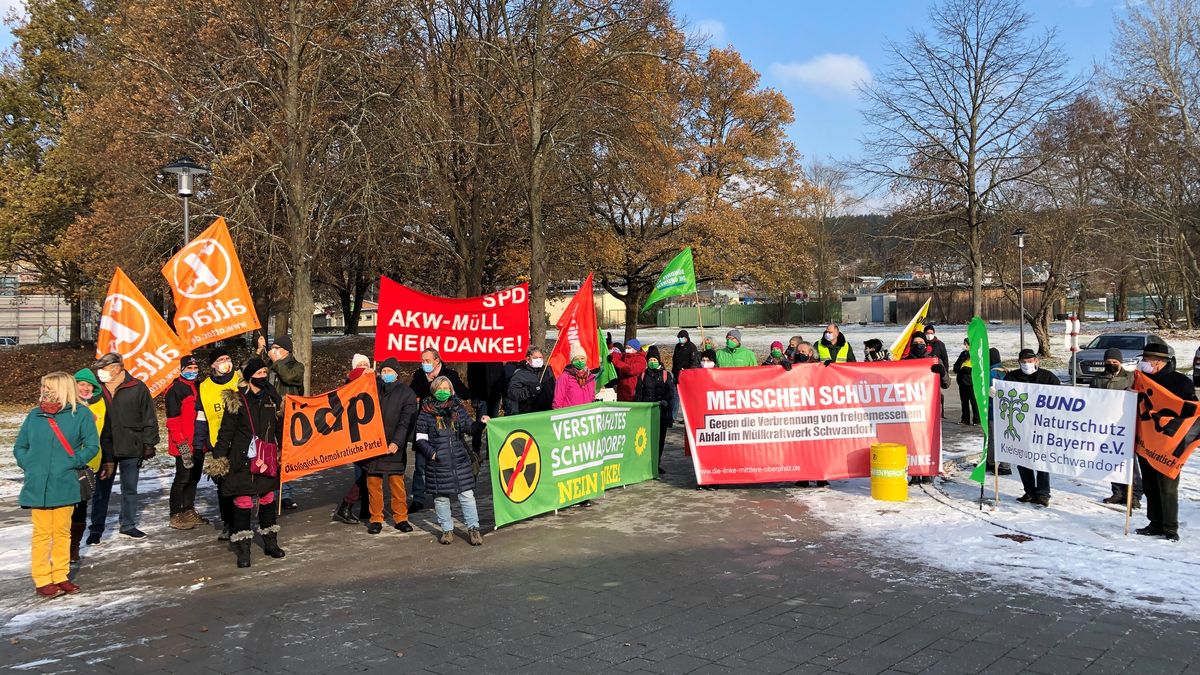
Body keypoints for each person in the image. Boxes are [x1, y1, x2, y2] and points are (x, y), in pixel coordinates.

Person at [15, 372, 100, 597]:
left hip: (64, 481)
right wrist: (29, 464)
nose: (44, 391)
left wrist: (72, 463)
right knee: (42, 533)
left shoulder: (80, 414)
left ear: (63, 389)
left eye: (49, 387)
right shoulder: (35, 415)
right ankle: (42, 578)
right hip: (38, 483)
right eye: (44, 387)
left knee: (62, 532)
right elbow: (20, 446)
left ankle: (61, 575)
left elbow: (92, 445)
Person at [207, 357, 286, 568]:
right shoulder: (237, 400)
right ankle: (244, 550)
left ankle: (271, 543)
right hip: (241, 459)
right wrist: (219, 461)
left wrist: (283, 449)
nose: (263, 377)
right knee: (243, 502)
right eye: (259, 374)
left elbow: (281, 428)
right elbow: (225, 433)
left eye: (265, 373)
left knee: (267, 498)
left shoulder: (273, 399)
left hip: (266, 458)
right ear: (250, 376)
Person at [88, 352, 157, 543]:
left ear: (116, 368)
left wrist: (149, 443)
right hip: (104, 448)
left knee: (130, 488)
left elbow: (149, 416)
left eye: (103, 369)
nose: (99, 372)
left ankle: (128, 525)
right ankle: (96, 528)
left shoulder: (137, 387)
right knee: (101, 490)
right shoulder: (96, 390)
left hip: (131, 445)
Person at [414, 376, 486, 546]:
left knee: (467, 496)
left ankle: (474, 529)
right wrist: (432, 454)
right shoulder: (425, 411)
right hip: (438, 464)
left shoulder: (457, 408)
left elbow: (469, 428)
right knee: (441, 499)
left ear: (451, 390)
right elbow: (420, 439)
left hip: (460, 461)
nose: (443, 391)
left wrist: (481, 423)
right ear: (434, 390)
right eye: (440, 388)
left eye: (446, 388)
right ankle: (447, 530)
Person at [1135, 342, 1193, 541]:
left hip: (1168, 445)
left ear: (1159, 362)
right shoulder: (1141, 380)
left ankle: (1170, 528)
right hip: (1146, 442)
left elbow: (1189, 411)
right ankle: (1155, 522)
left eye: (1146, 360)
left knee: (1167, 487)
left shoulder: (1180, 382)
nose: (1143, 363)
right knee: (1150, 485)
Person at [408, 348, 469, 513]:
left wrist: (449, 390)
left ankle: (445, 497)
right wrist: (430, 384)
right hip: (425, 424)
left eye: (427, 360)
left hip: (445, 430)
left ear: (437, 361)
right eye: (422, 360)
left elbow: (465, 393)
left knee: (444, 466)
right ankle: (418, 499)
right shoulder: (420, 375)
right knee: (420, 464)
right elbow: (412, 393)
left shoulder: (450, 375)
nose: (424, 364)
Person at [362, 358, 418, 534]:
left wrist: (396, 443)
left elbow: (406, 421)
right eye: (383, 371)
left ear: (396, 374)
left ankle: (401, 518)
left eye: (389, 371)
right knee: (373, 484)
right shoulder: (372, 387)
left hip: (394, 445)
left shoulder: (406, 393)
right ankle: (376, 518)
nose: (385, 374)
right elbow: (352, 392)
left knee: (396, 484)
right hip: (373, 444)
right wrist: (362, 376)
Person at [194, 348, 241, 540]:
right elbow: (201, 417)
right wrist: (199, 444)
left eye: (228, 358)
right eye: (221, 359)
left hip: (241, 442)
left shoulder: (239, 378)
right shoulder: (204, 387)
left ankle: (242, 521)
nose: (226, 362)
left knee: (241, 484)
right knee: (223, 487)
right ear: (213, 364)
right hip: (218, 444)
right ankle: (228, 523)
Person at [1003, 349, 1060, 506]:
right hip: (1021, 427)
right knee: (1022, 459)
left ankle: (1042, 493)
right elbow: (1003, 395)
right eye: (1024, 362)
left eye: (1030, 361)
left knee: (1041, 460)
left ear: (1036, 361)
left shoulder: (1048, 377)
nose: (1027, 364)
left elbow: (1061, 397)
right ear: (1019, 362)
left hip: (1042, 426)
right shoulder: (1012, 377)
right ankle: (1029, 491)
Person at [1091, 347, 1141, 508]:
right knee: (1112, 459)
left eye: (1114, 362)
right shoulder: (1098, 379)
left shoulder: (1131, 377)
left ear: (1120, 362)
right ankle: (1117, 492)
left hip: (1126, 425)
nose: (1111, 364)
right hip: (1106, 425)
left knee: (1129, 461)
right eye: (1108, 362)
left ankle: (1134, 494)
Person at [259, 334, 304, 510]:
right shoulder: (268, 366)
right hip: (268, 413)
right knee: (269, 452)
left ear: (286, 351)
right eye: (272, 348)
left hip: (286, 415)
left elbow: (289, 378)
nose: (273, 351)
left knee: (285, 454)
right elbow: (251, 372)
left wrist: (276, 362)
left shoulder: (297, 366)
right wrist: (259, 350)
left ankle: (286, 494)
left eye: (277, 348)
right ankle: (269, 491)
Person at [165, 355, 206, 531]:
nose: (193, 372)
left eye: (195, 369)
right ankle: (176, 513)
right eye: (189, 369)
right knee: (182, 478)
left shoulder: (199, 386)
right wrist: (182, 445)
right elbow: (172, 420)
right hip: (183, 443)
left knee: (194, 477)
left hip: (199, 441)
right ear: (182, 370)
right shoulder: (175, 389)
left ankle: (188, 509)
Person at [69, 369, 104, 563]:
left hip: (90, 463)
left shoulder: (100, 405)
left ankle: (74, 546)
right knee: (66, 506)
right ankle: (62, 545)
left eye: (89, 385)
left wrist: (106, 459)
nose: (85, 388)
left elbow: (105, 432)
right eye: (81, 384)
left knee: (81, 506)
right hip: (69, 463)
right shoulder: (66, 405)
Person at [904, 335, 948, 485]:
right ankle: (915, 473)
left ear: (926, 344)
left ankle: (928, 471)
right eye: (915, 343)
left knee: (928, 440)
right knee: (912, 441)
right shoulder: (905, 362)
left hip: (929, 409)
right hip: (910, 409)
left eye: (921, 342)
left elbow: (946, 384)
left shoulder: (934, 360)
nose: (918, 345)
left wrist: (941, 373)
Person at [635, 346, 676, 474]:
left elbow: (670, 393)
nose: (652, 361)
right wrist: (638, 408)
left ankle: (656, 464)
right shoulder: (642, 375)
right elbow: (639, 394)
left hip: (661, 413)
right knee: (646, 440)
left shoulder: (665, 375)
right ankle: (646, 464)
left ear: (658, 360)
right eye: (650, 359)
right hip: (646, 413)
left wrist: (665, 403)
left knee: (659, 440)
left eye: (654, 359)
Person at [467, 361, 507, 457]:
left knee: (493, 424)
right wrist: (474, 398)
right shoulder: (474, 359)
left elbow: (502, 376)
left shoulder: (497, 358)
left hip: (495, 395)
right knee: (481, 423)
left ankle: (491, 451)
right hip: (481, 396)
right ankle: (476, 451)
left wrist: (502, 394)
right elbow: (471, 378)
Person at [984, 348, 1012, 476]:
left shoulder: (991, 374)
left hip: (992, 411)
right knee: (1004, 438)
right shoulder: (1005, 371)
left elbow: (989, 393)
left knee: (993, 438)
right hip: (1006, 412)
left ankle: (999, 464)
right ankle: (994, 462)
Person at [505, 346, 555, 415]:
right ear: (528, 359)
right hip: (529, 412)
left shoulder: (547, 370)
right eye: (535, 358)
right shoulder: (520, 373)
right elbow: (512, 393)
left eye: (540, 357)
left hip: (547, 411)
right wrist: (529, 390)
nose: (538, 360)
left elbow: (553, 387)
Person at [953, 339, 980, 425]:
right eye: (964, 344)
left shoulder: (976, 355)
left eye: (965, 344)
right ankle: (965, 419)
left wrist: (966, 369)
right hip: (962, 382)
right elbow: (956, 367)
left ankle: (977, 419)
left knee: (974, 401)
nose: (964, 346)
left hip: (972, 382)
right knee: (964, 402)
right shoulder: (963, 354)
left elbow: (978, 369)